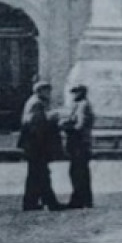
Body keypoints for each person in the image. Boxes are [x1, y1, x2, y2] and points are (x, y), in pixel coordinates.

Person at [17, 80, 65, 212]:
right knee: (40, 173)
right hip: (36, 145)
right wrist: (52, 120)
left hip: (34, 145)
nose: (50, 93)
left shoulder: (36, 102)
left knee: (36, 174)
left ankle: (33, 202)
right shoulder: (36, 104)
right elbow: (36, 124)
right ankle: (49, 202)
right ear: (41, 91)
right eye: (47, 90)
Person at [61, 84, 95, 210]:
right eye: (73, 92)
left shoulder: (83, 105)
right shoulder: (80, 105)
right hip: (79, 143)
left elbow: (80, 125)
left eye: (76, 92)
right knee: (78, 171)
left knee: (78, 172)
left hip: (79, 143)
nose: (74, 95)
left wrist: (66, 126)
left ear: (82, 93)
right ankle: (82, 199)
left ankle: (80, 200)